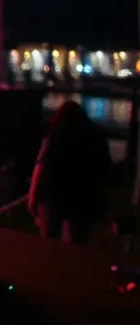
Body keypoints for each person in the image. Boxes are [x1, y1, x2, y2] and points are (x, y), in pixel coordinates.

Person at [28, 101, 112, 244]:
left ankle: (48, 265)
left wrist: (33, 195)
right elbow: (104, 170)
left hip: (52, 192)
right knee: (76, 242)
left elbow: (41, 165)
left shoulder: (55, 135)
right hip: (82, 194)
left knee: (48, 241)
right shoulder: (95, 137)